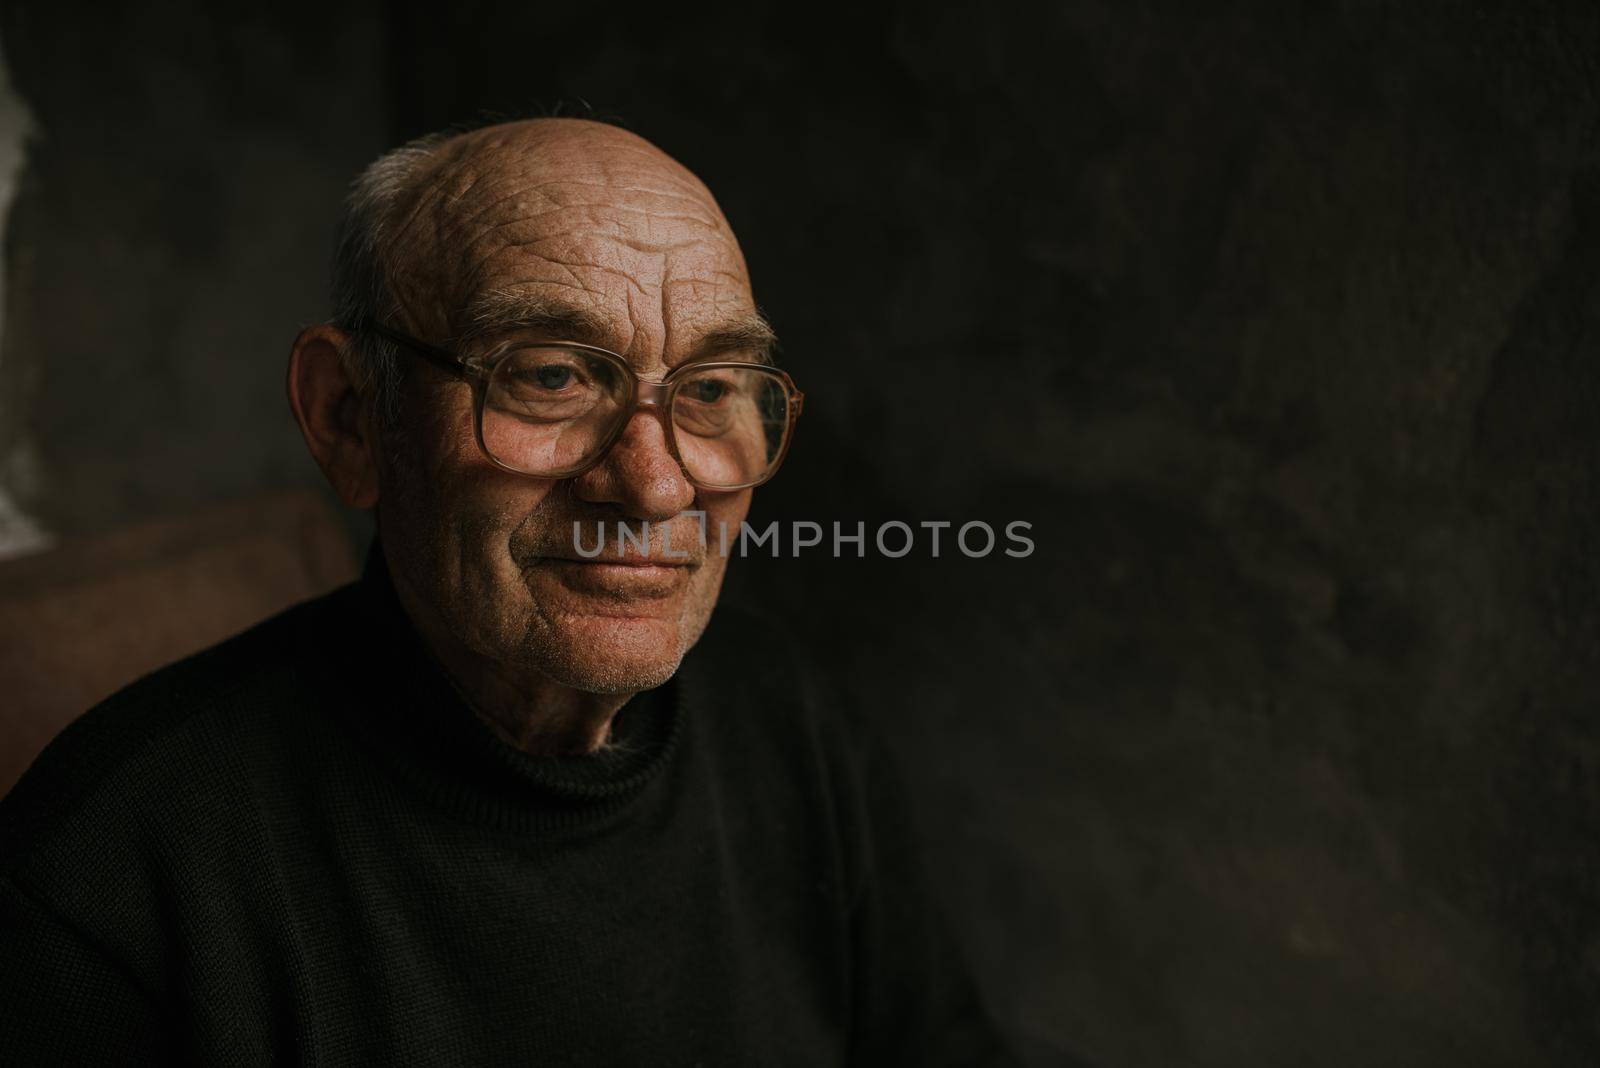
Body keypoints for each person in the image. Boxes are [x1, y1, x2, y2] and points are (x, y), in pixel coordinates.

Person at [0, 118, 1015, 1064]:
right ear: (352, 420)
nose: (656, 484)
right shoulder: (109, 871)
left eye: (709, 388)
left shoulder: (779, 718)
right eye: (550, 377)